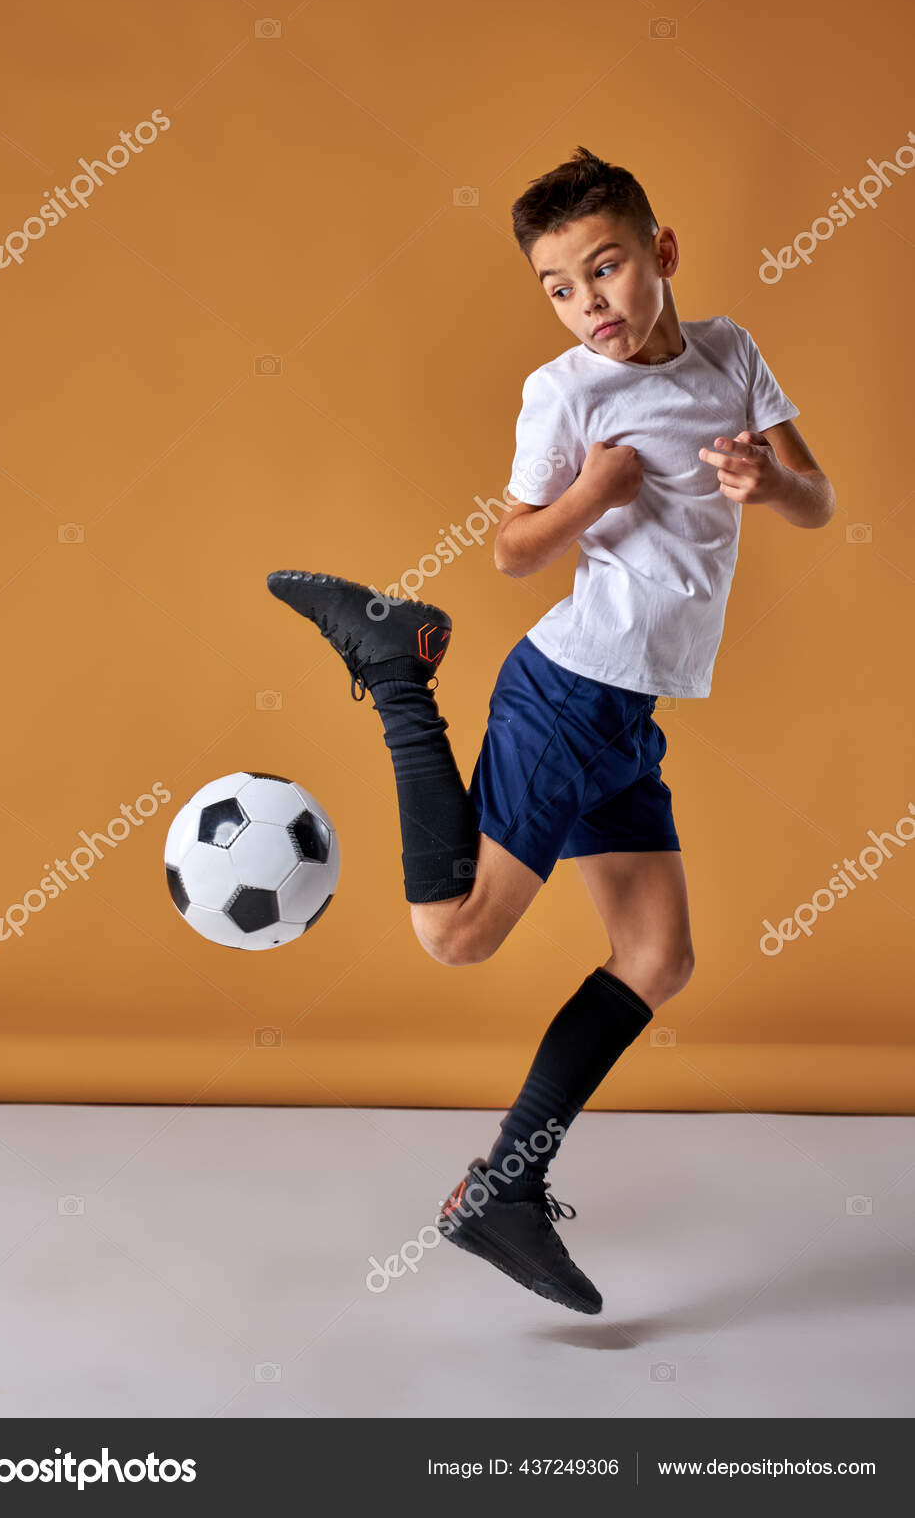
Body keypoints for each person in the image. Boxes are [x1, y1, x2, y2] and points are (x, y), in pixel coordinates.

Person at [266, 145, 835, 1315]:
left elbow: (817, 496)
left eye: (606, 270)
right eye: (560, 286)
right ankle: (393, 664)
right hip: (569, 689)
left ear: (661, 254)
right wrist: (590, 497)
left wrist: (764, 486)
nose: (589, 305)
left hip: (630, 715)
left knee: (656, 957)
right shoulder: (565, 392)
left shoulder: (730, 355)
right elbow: (512, 548)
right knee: (457, 933)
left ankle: (502, 1192)